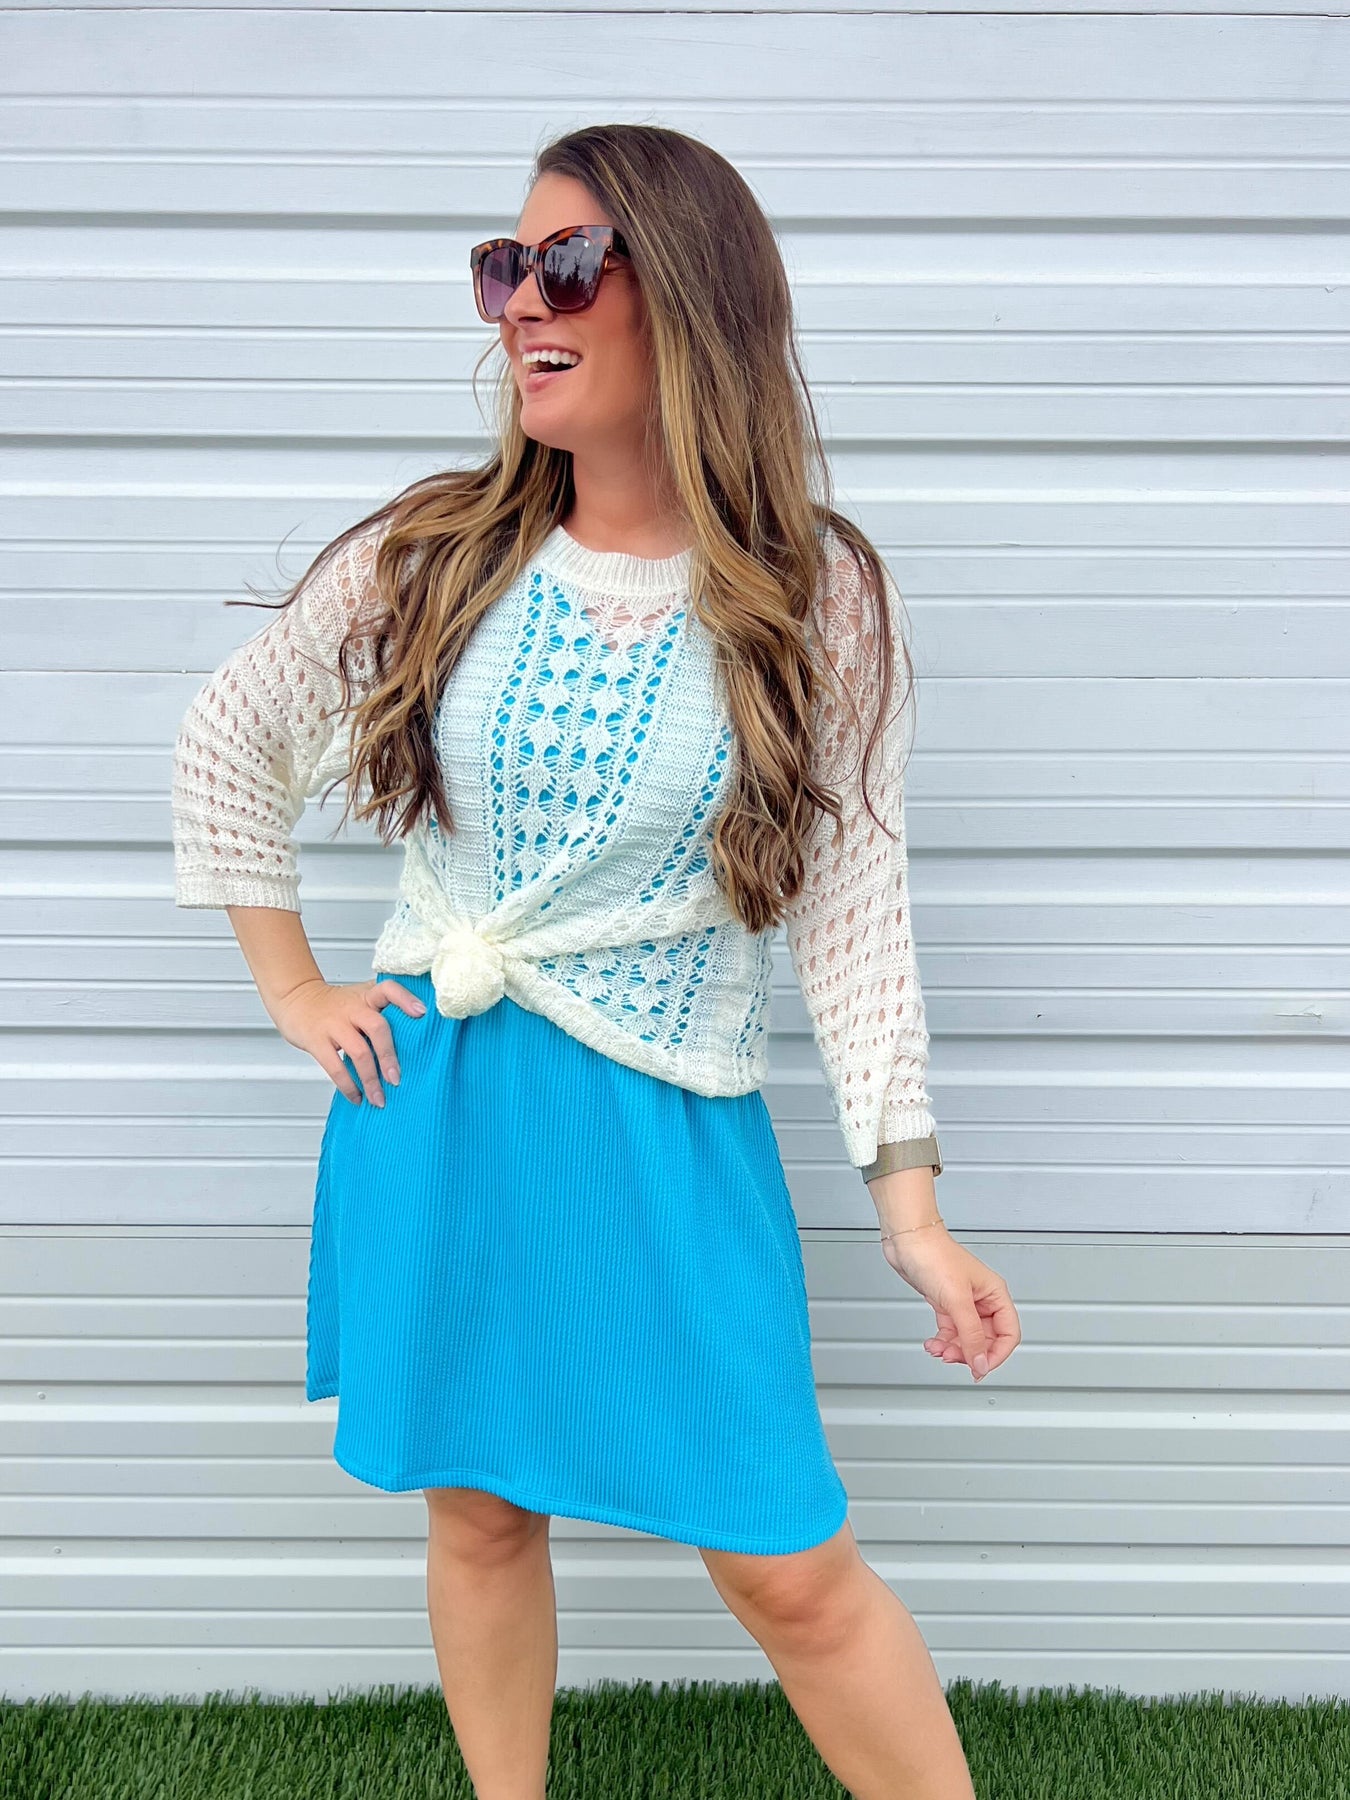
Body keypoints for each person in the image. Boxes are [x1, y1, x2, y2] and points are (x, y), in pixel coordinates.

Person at [171, 122, 1019, 1800]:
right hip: (437, 1098)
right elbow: (226, 742)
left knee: (789, 1564)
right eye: (504, 267)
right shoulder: (439, 551)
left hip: (660, 1126)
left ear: (687, 297)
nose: (518, 303)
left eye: (561, 265)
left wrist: (911, 1213)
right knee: (481, 1517)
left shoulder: (812, 593)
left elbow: (855, 908)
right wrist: (294, 990)